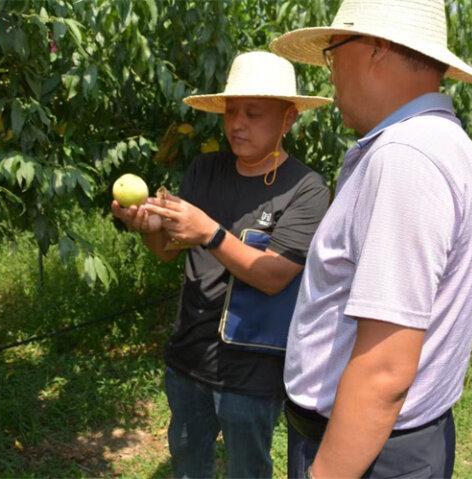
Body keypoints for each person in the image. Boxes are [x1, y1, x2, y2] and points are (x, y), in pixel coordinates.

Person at [269, 0, 472, 477]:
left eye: (333, 53)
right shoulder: (444, 144)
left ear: (376, 49)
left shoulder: (406, 157)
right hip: (388, 443)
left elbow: (384, 371)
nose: (329, 75)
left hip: (364, 453)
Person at [111, 51, 331, 478]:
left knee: (247, 470)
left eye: (253, 113)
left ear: (288, 119)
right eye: (231, 112)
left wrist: (210, 232)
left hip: (250, 372)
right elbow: (167, 250)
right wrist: (147, 226)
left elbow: (273, 276)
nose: (237, 124)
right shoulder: (206, 170)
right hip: (188, 357)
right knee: (190, 466)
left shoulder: (305, 189)